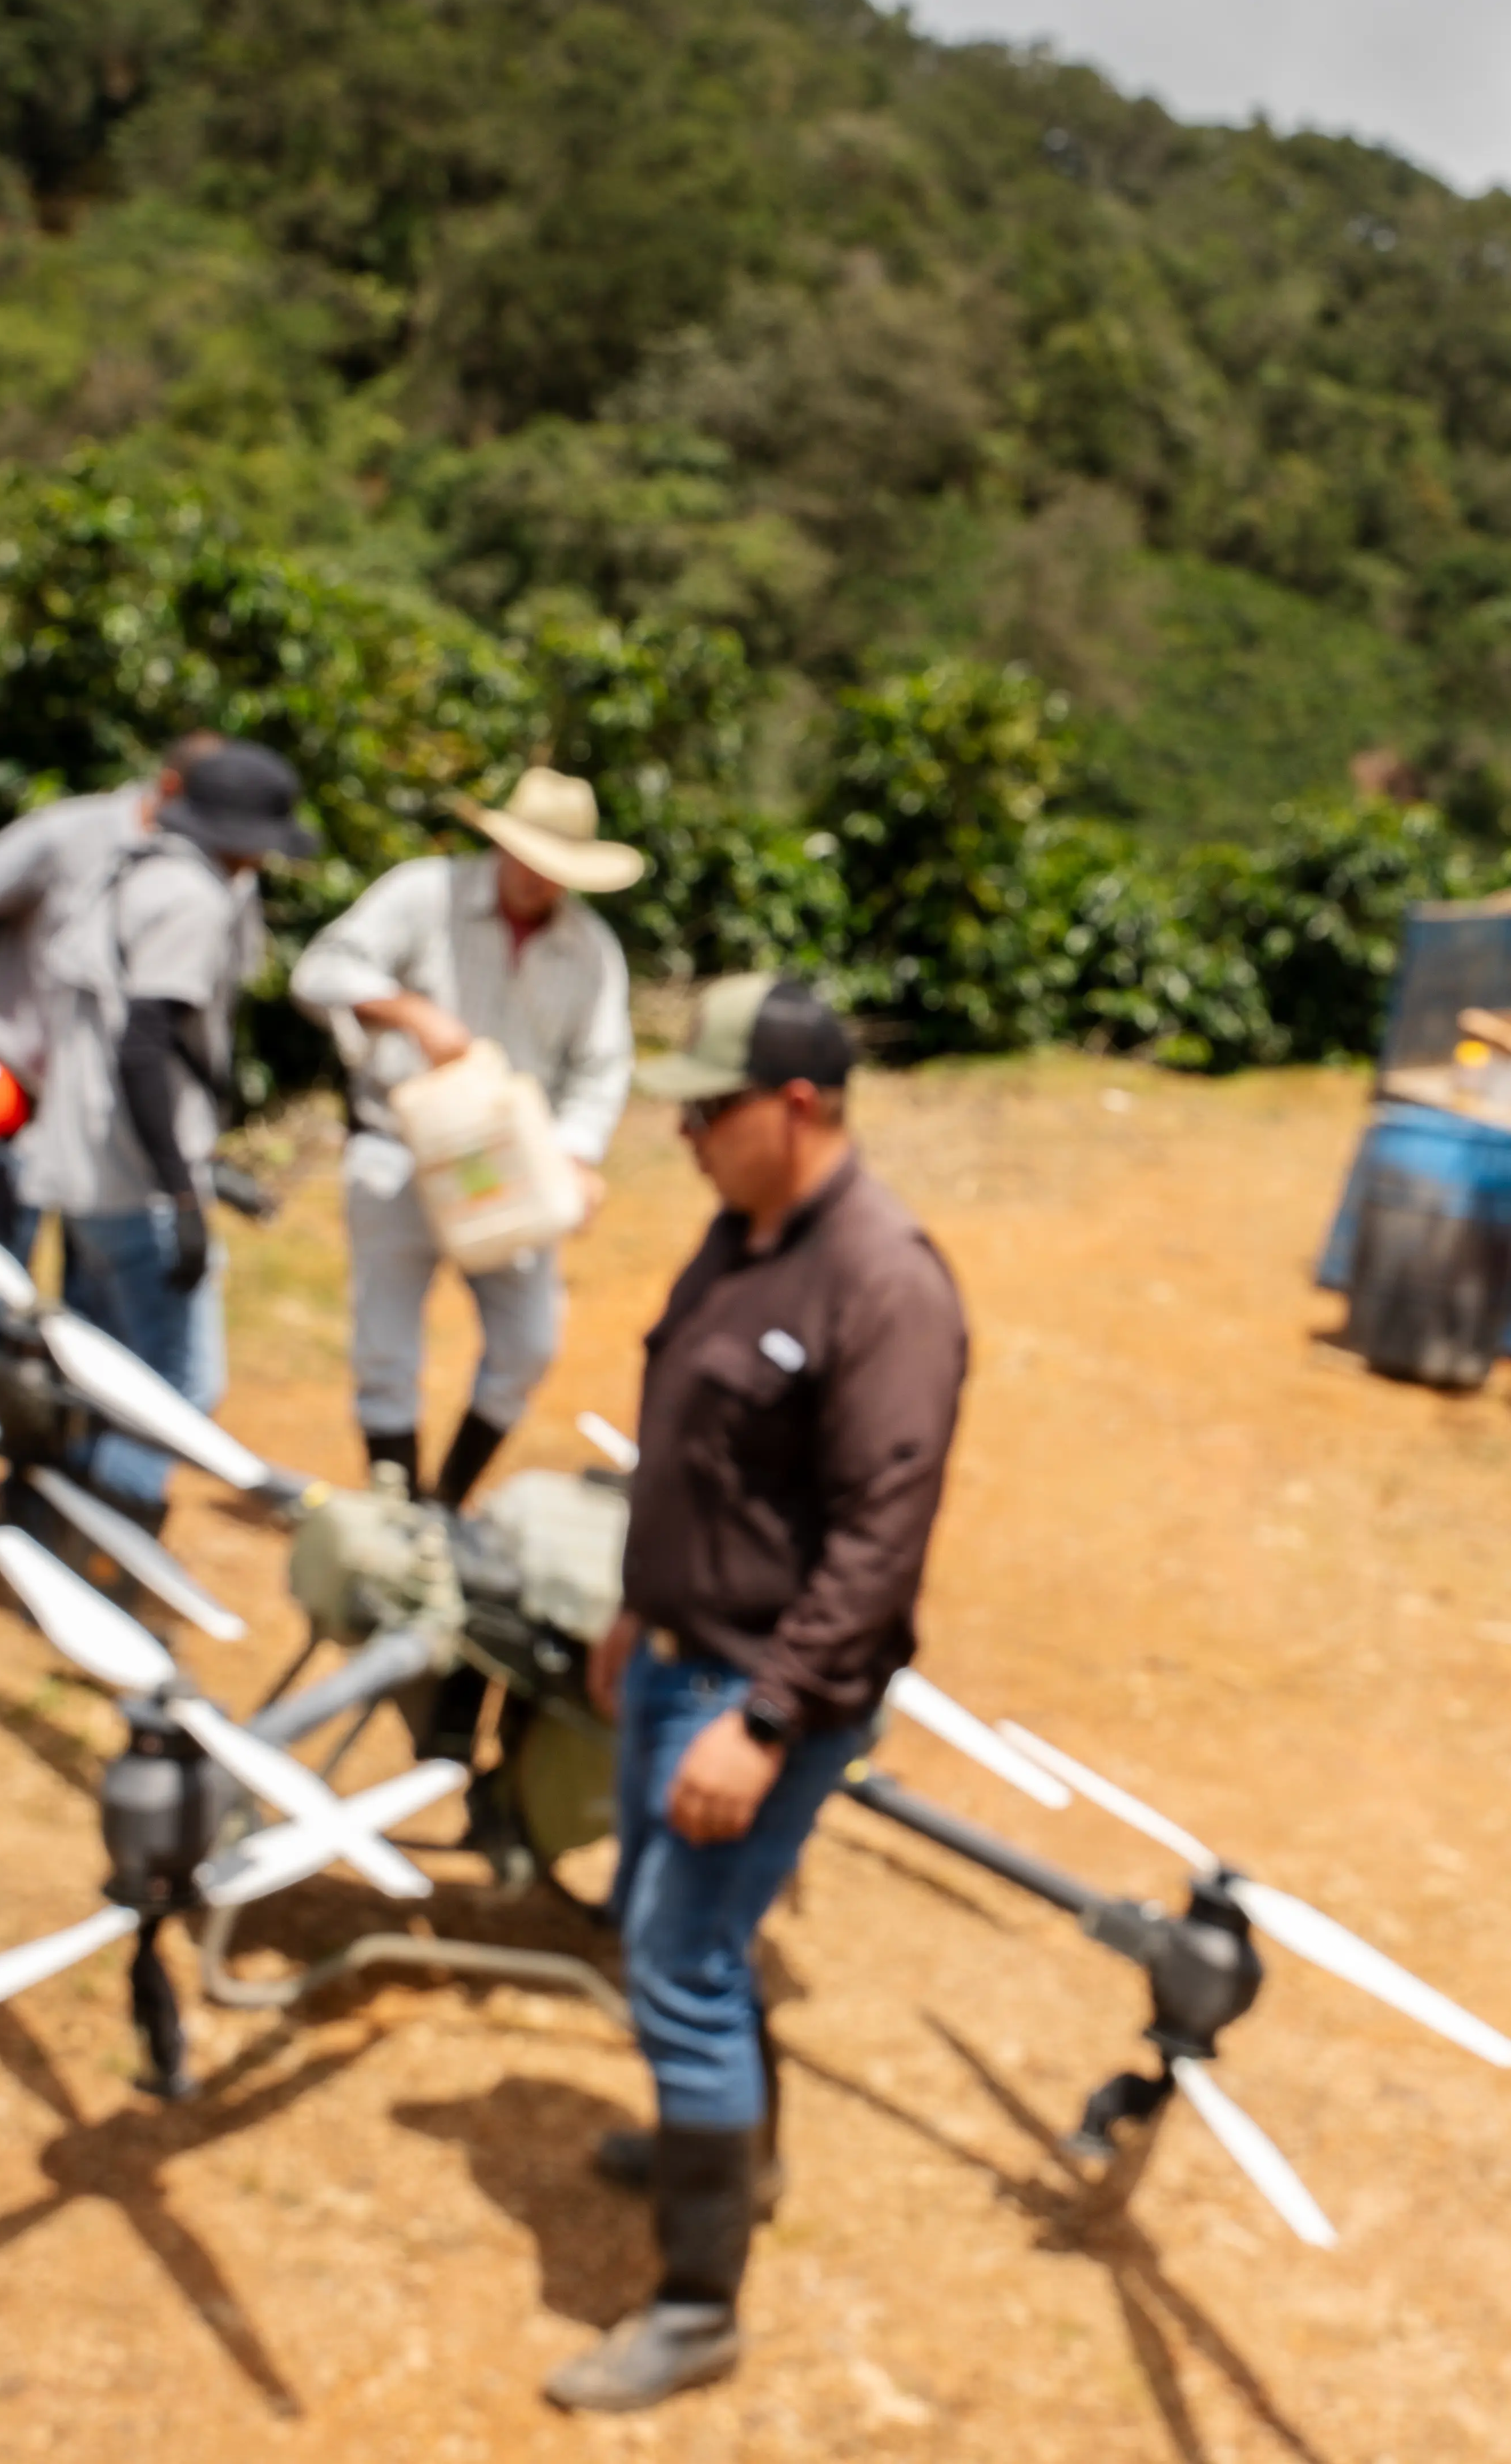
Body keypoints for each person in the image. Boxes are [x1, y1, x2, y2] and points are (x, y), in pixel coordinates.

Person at [545, 976, 969, 2417]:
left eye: (707, 1108)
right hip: (676, 1649)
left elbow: (879, 1539)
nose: (684, 1133)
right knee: (678, 1934)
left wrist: (766, 1718)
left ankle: (694, 2303)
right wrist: (635, 1598)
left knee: (683, 1958)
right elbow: (692, 1446)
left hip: (760, 1689)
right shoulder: (743, 1235)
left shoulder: (886, 1280)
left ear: (796, 1107)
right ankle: (739, 2149)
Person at [0, 732, 221, 1598]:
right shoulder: (72, 835)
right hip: (16, 1104)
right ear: (176, 786)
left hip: (103, 1135)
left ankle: (49, 1499)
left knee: (90, 1323)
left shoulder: (201, 869)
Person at [285, 765, 641, 1510]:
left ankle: (445, 1502)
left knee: (529, 1342)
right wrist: (407, 1010)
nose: (539, 879)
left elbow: (601, 1071)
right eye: (529, 859)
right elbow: (319, 970)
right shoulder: (424, 895)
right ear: (501, 845)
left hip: (510, 1168)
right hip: (399, 1151)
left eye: (557, 870)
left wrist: (575, 1157)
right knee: (386, 1347)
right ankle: (398, 1507)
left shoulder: (592, 953)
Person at [8, 736, 318, 1540]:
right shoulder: (193, 900)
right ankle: (111, 1559)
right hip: (135, 1181)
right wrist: (182, 1191)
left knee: (102, 1366)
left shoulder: (129, 871)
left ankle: (58, 1519)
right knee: (177, 1387)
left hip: (78, 1167)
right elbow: (144, 1047)